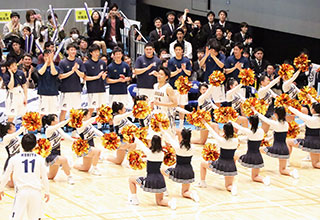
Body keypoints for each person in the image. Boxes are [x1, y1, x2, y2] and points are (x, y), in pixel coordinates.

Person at [0, 133, 49, 220]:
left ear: (21, 144)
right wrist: (47, 191)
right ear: (35, 145)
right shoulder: (40, 158)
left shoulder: (14, 158)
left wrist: (1, 189)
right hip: (36, 193)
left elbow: (5, 175)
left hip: (21, 193)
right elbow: (45, 177)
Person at [128, 135, 176, 209]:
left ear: (152, 143)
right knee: (160, 201)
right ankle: (170, 203)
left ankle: (134, 199)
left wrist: (135, 136)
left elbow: (140, 144)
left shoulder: (149, 152)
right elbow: (153, 159)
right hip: (160, 180)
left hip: (149, 180)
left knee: (131, 179)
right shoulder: (162, 153)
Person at [254, 107, 299, 178]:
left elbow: (264, 118)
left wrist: (254, 110)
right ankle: (291, 173)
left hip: (276, 149)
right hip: (284, 149)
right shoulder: (286, 124)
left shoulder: (275, 124)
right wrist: (269, 138)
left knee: (258, 150)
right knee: (282, 170)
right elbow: (279, 133)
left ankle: (255, 167)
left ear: (276, 114)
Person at [199, 122, 238, 195]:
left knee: (202, 164)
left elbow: (211, 131)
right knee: (228, 186)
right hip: (231, 166)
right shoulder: (236, 141)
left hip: (220, 165)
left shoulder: (221, 140)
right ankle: (232, 188)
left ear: (224, 131)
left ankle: (202, 182)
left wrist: (204, 122)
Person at [161, 128, 199, 202]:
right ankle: (192, 194)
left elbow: (168, 138)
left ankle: (164, 190)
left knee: (161, 171)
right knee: (185, 192)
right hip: (189, 172)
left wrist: (162, 129)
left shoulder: (177, 146)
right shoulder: (193, 147)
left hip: (178, 172)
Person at [231, 116, 270, 185]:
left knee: (234, 155)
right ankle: (263, 179)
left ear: (250, 123)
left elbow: (238, 126)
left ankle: (230, 173)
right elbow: (252, 139)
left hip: (249, 157)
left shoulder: (249, 131)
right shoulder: (261, 131)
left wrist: (228, 119)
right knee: (255, 177)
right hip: (258, 158)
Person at [42, 115, 75, 184]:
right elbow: (61, 124)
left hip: (57, 153)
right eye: (56, 118)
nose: (58, 119)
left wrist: (74, 141)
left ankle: (36, 175)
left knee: (50, 176)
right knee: (64, 160)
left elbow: (65, 135)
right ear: (52, 121)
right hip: (50, 154)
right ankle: (70, 177)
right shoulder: (49, 129)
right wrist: (68, 119)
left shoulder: (58, 129)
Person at [287, 103, 320, 168]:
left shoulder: (309, 119)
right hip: (318, 143)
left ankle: (285, 162)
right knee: (316, 164)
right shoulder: (312, 119)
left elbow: (297, 112)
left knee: (288, 142)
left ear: (313, 110)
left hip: (309, 143)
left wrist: (288, 106)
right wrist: (299, 126)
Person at [58, 43, 85, 122]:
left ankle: (76, 128)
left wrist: (76, 70)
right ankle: (61, 128)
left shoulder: (79, 61)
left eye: (74, 50)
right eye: (71, 50)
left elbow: (83, 75)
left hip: (76, 89)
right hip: (66, 90)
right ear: (67, 51)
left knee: (77, 110)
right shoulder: (63, 62)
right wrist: (72, 71)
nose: (73, 51)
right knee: (64, 110)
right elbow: (61, 76)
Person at [167, 43, 192, 128]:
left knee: (182, 105)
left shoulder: (187, 61)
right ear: (174, 51)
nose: (178, 51)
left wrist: (184, 69)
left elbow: (189, 73)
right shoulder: (171, 61)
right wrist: (177, 72)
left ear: (182, 51)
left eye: (179, 50)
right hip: (173, 87)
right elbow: (169, 74)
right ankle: (172, 124)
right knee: (172, 106)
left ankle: (181, 125)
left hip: (183, 88)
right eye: (176, 50)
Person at [74, 110, 102, 175]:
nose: (90, 115)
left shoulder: (88, 124)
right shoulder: (79, 125)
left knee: (85, 168)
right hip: (84, 148)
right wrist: (98, 116)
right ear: (84, 116)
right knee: (98, 151)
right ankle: (94, 169)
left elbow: (96, 131)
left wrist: (105, 136)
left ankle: (71, 164)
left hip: (91, 146)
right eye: (89, 114)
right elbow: (90, 121)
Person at [84, 44, 107, 118]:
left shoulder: (102, 63)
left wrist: (103, 77)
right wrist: (96, 77)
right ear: (91, 53)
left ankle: (99, 126)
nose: (97, 53)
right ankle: (87, 126)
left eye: (98, 51)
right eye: (95, 52)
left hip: (101, 88)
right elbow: (85, 78)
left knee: (100, 108)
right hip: (92, 89)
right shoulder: (87, 64)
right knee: (91, 108)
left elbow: (104, 76)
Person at [152, 66, 178, 135]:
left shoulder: (168, 88)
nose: (159, 76)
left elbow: (175, 104)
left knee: (169, 140)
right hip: (156, 114)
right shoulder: (155, 85)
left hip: (167, 115)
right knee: (154, 137)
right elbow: (156, 99)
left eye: (161, 74)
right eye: (158, 74)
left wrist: (160, 104)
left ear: (166, 77)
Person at [0, 122, 25, 187]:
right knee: (12, 184)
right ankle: (3, 182)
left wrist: (25, 129)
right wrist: (24, 126)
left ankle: (6, 181)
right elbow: (17, 133)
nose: (15, 128)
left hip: (18, 158)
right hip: (11, 159)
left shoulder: (16, 136)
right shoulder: (6, 137)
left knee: (17, 178)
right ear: (8, 130)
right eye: (13, 127)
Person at [37, 49, 60, 115]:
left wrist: (51, 61)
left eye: (49, 56)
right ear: (43, 57)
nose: (48, 57)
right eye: (46, 56)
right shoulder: (40, 66)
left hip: (53, 93)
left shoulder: (56, 67)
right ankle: (41, 125)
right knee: (42, 113)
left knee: (53, 113)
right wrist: (47, 62)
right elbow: (40, 72)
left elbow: (54, 73)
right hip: (43, 93)